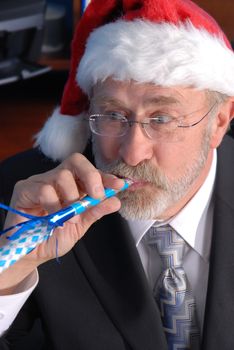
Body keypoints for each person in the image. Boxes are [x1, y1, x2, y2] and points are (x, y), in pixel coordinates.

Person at [1, 0, 234, 349]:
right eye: (112, 115)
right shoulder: (22, 200)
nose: (131, 152)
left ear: (218, 122)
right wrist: (10, 271)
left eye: (162, 119)